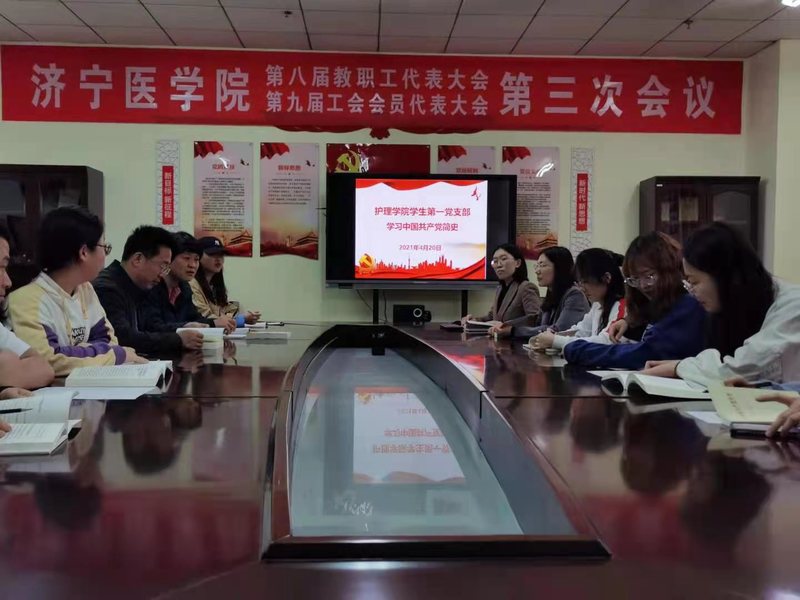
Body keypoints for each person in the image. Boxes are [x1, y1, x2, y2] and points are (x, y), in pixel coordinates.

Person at [643, 222, 800, 387]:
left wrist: (680, 367)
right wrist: (682, 366)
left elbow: (739, 370)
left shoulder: (792, 306)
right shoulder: (733, 309)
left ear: (724, 277)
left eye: (694, 282)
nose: (692, 292)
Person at [8, 207, 143, 376]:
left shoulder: (85, 289)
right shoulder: (26, 300)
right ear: (84, 252)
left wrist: (75, 351)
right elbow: (49, 360)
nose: (105, 255)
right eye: (105, 247)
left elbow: (109, 340)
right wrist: (115, 355)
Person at [563, 231, 706, 369]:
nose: (643, 286)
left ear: (669, 269)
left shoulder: (687, 305)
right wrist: (628, 322)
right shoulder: (656, 306)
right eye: (635, 279)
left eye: (649, 276)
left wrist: (577, 349)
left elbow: (646, 353)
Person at [93, 225, 204, 355]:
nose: (163, 274)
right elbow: (123, 338)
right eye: (163, 266)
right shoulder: (108, 288)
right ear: (138, 259)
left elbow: (149, 329)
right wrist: (178, 339)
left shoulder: (140, 286)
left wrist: (182, 331)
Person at [531, 248, 626, 353]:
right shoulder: (597, 305)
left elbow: (606, 341)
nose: (582, 288)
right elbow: (581, 330)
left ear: (607, 278)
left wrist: (555, 340)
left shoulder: (622, 305)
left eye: (585, 281)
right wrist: (555, 335)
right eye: (580, 282)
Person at [142, 232, 235, 334]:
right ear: (169, 258)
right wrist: (183, 327)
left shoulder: (184, 288)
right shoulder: (151, 286)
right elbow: (152, 327)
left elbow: (195, 319)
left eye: (196, 259)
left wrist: (213, 323)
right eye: (186, 258)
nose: (192, 265)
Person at [0, 223, 54, 389]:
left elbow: (44, 368)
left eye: (5, 268)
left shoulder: (86, 291)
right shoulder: (28, 297)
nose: (8, 282)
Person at [503, 246, 589, 339]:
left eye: (543, 265)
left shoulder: (575, 295)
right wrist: (506, 325)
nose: (537, 271)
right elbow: (536, 321)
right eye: (537, 266)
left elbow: (558, 331)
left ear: (559, 268)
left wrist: (513, 331)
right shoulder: (552, 293)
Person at [461, 243, 541, 333]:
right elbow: (493, 317)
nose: (498, 265)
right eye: (495, 261)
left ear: (517, 263)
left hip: (517, 340)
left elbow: (535, 318)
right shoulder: (500, 288)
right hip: (498, 340)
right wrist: (473, 321)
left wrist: (506, 325)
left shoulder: (526, 287)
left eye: (503, 259)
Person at [190, 237, 260, 327]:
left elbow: (222, 312)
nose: (218, 259)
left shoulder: (213, 286)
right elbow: (204, 317)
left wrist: (242, 317)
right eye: (212, 254)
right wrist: (240, 319)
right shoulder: (191, 284)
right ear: (198, 257)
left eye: (221, 255)